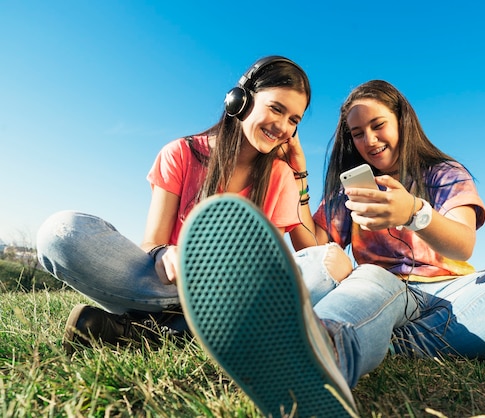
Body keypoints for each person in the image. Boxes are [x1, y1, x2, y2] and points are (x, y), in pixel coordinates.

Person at [174, 80, 485, 416]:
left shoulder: (443, 173)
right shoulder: (347, 195)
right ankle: (325, 354)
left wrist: (414, 212)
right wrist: (301, 179)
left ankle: (390, 342)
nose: (370, 140)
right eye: (357, 134)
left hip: (456, 297)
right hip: (383, 292)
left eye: (378, 125)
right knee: (370, 276)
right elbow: (316, 249)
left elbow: (464, 244)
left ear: (401, 121)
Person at [36, 55, 315, 354]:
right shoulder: (180, 153)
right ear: (240, 101)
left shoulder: (282, 178)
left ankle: (142, 330)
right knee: (61, 231)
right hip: (161, 287)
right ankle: (179, 326)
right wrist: (163, 253)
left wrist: (299, 171)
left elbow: (268, 267)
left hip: (229, 296)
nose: (283, 126)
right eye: (276, 109)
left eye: (294, 120)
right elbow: (152, 242)